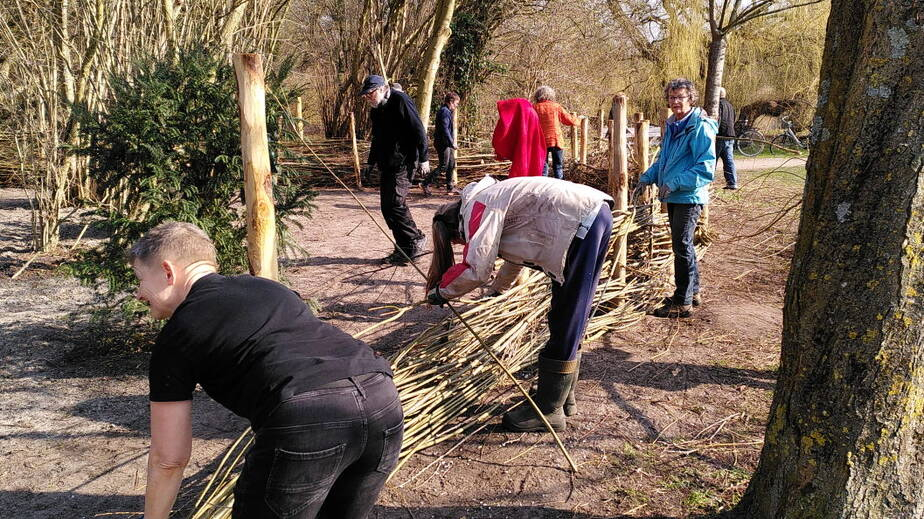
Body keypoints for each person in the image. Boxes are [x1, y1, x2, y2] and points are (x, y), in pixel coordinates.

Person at [132, 221, 402, 519]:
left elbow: (169, 460)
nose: (138, 293)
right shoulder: (268, 287)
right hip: (381, 395)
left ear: (168, 272)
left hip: (310, 415)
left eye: (140, 279)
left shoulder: (178, 335)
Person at [425, 176, 613, 432]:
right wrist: (496, 291)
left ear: (453, 228)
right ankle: (563, 396)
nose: (461, 245)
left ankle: (549, 410)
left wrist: (442, 292)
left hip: (580, 225)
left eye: (457, 242)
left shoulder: (478, 208)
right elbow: (515, 259)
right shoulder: (492, 199)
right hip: (591, 215)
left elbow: (476, 267)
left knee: (567, 314)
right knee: (570, 311)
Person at [636, 78, 716, 318]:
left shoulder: (699, 126)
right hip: (673, 196)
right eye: (672, 98)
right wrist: (647, 176)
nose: (675, 102)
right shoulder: (674, 124)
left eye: (680, 97)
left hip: (689, 196)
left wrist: (674, 182)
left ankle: (682, 302)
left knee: (681, 246)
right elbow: (665, 160)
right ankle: (693, 292)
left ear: (690, 99)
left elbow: (705, 168)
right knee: (683, 245)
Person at [360, 74, 428, 265]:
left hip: (405, 161)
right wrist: (370, 163)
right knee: (387, 207)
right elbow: (377, 139)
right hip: (387, 163)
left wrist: (424, 159)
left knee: (396, 203)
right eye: (365, 95)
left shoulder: (401, 100)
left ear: (382, 88)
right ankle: (403, 248)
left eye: (370, 93)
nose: (367, 98)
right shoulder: (376, 110)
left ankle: (416, 239)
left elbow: (418, 129)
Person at [532, 86, 579, 179]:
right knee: (558, 166)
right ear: (550, 95)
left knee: (543, 168)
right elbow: (569, 120)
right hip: (556, 140)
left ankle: (542, 189)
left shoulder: (534, 107)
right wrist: (579, 121)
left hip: (540, 142)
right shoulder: (556, 106)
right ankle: (560, 187)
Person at [491, 98, 546, 177]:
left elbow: (503, 128)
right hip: (539, 147)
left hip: (532, 144)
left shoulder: (525, 111)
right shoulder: (530, 111)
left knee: (523, 164)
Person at [423, 92, 459, 195]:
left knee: (451, 164)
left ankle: (450, 187)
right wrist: (452, 143)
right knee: (444, 165)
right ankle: (425, 183)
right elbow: (445, 129)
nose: (456, 106)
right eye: (456, 103)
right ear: (451, 102)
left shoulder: (447, 111)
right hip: (443, 143)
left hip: (447, 143)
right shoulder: (444, 112)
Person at [716, 87, 738, 190]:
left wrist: (714, 131)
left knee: (711, 160)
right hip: (730, 135)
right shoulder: (730, 105)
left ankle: (707, 182)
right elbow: (733, 119)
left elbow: (718, 120)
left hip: (720, 135)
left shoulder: (718, 105)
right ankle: (732, 182)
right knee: (729, 160)